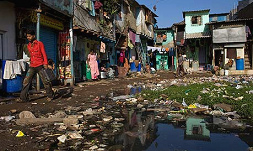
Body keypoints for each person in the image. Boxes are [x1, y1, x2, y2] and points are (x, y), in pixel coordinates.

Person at [18, 30, 54, 102]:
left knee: (46, 81)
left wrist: (46, 63)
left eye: (30, 36)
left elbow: (44, 54)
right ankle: (23, 98)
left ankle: (50, 95)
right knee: (26, 81)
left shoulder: (39, 44)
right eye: (27, 36)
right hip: (32, 65)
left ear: (34, 36)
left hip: (40, 65)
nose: (28, 37)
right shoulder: (28, 45)